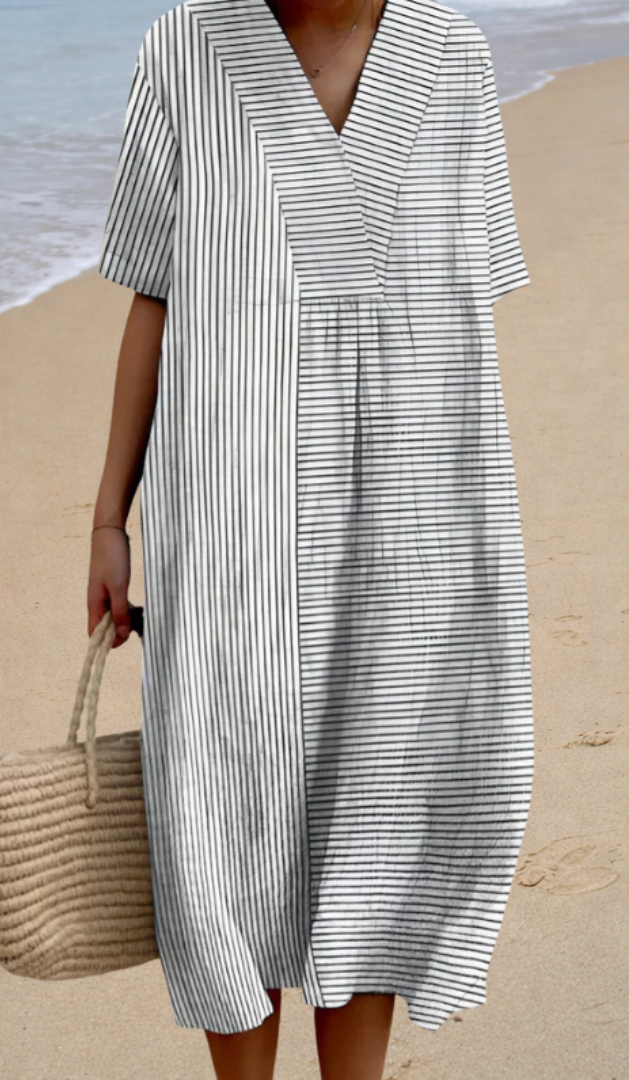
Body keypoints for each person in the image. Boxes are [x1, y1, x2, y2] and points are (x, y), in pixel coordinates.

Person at [86, 0, 534, 1075]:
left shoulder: (453, 59)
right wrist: (108, 515)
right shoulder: (184, 50)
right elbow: (154, 296)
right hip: (222, 520)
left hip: (410, 523)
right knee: (220, 805)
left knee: (380, 807)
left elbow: (464, 311)